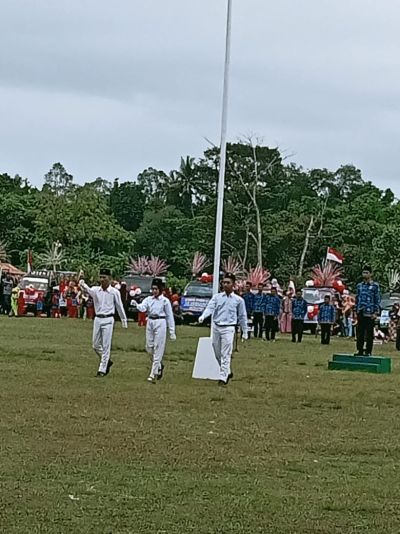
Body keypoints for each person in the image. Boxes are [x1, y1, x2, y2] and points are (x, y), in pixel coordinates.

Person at [198, 272, 248, 386]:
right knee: (217, 352)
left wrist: (245, 331)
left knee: (226, 353)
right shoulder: (217, 297)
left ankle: (223, 377)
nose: (225, 285)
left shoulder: (238, 300)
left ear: (233, 284)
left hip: (229, 328)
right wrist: (203, 316)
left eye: (228, 283)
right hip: (216, 326)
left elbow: (242, 316)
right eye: (224, 282)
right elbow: (210, 307)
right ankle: (227, 371)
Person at [79, 268, 128, 377]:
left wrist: (123, 320)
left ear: (109, 279)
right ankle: (107, 361)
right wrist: (81, 281)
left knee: (106, 345)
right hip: (98, 318)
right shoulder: (96, 290)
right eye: (100, 277)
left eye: (104, 277)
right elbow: (86, 288)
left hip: (109, 319)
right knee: (96, 345)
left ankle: (102, 369)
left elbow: (119, 306)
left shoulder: (114, 292)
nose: (102, 280)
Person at [133, 278, 176, 383]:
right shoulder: (149, 299)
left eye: (156, 289)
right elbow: (143, 308)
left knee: (158, 347)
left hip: (160, 322)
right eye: (153, 289)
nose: (154, 291)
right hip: (150, 321)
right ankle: (159, 365)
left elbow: (170, 316)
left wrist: (172, 331)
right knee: (149, 347)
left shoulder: (164, 301)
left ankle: (153, 373)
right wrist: (136, 305)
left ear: (160, 289)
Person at [355, 265, 381, 356]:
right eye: (363, 272)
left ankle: (368, 351)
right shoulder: (360, 286)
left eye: (366, 273)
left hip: (370, 312)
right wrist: (356, 310)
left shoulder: (375, 286)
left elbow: (377, 299)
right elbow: (357, 298)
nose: (364, 274)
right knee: (360, 333)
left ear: (371, 274)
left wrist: (376, 312)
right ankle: (360, 350)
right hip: (361, 311)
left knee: (369, 333)